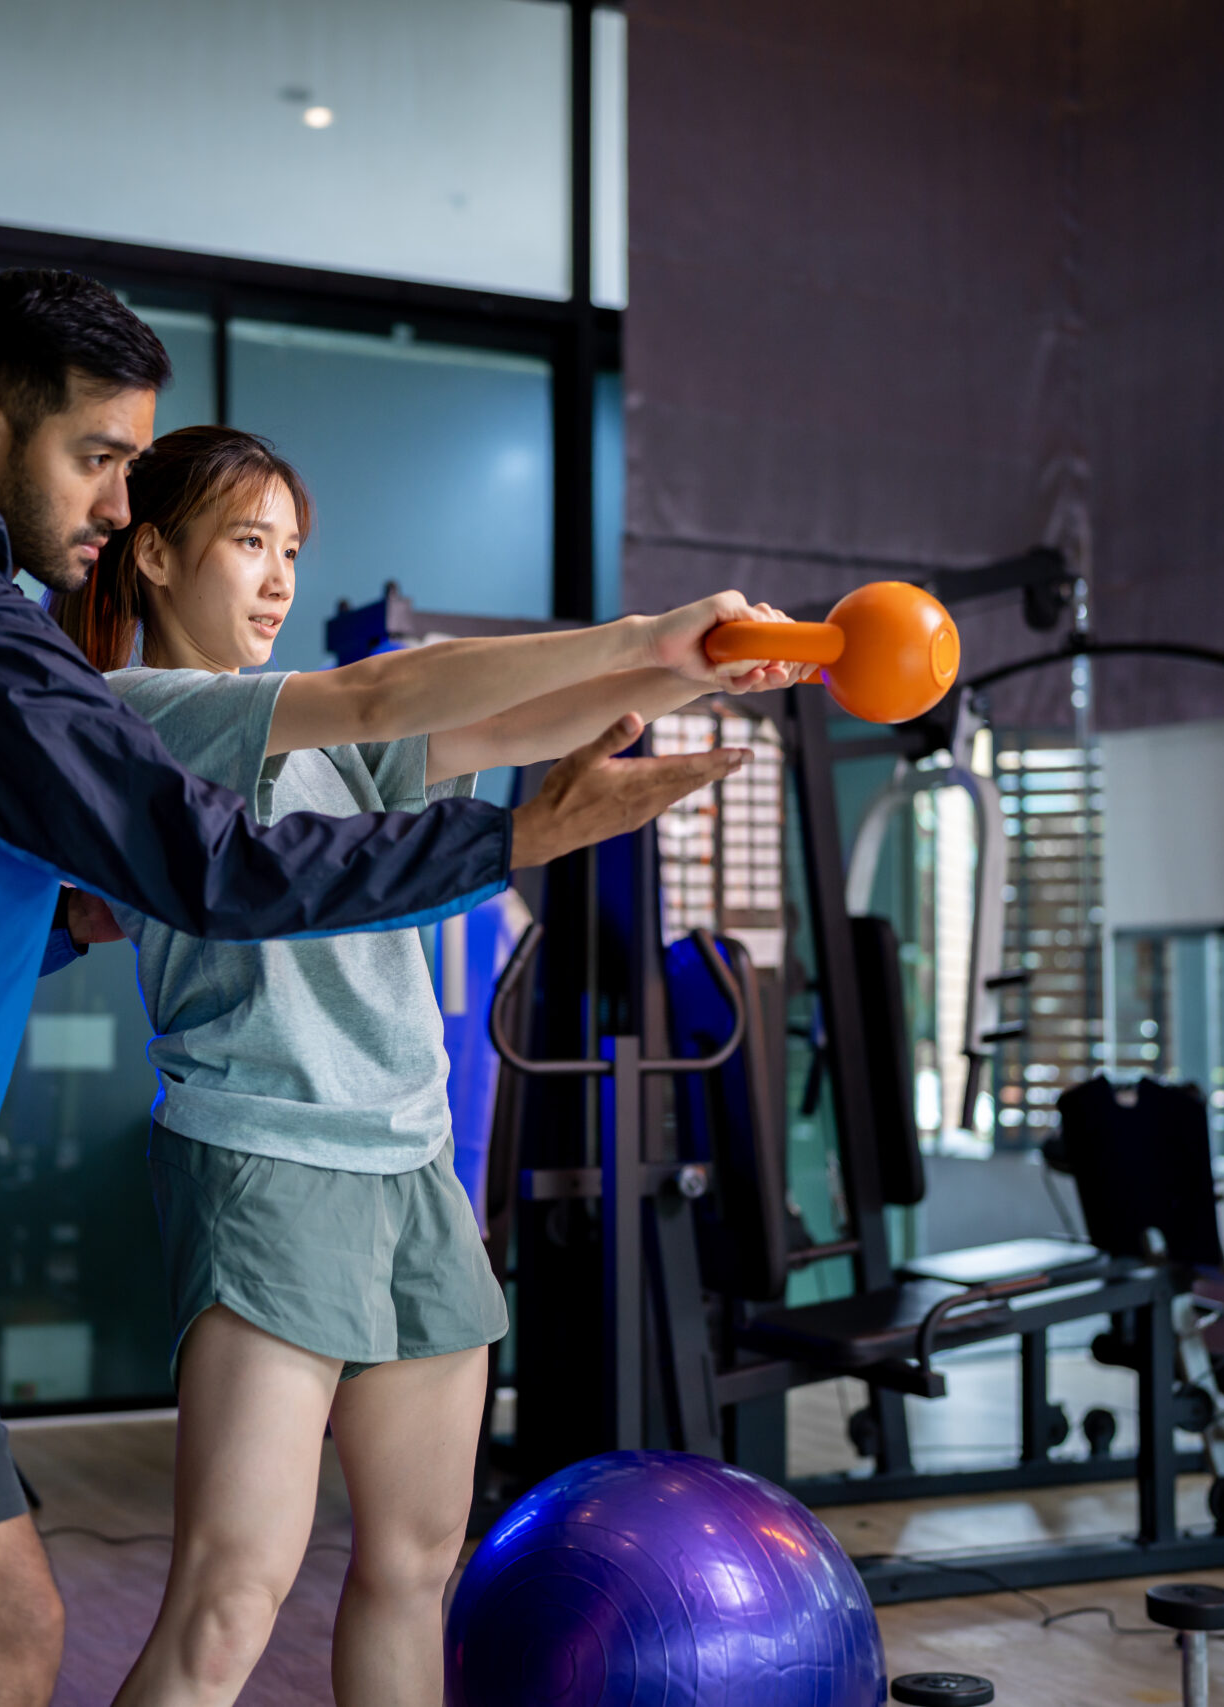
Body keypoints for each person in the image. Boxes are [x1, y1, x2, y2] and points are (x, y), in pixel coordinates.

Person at [0, 269, 751, 1707]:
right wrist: (532, 820)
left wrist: (674, 667)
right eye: (102, 460)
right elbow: (240, 853)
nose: (118, 504)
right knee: (4, 1625)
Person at [51, 425, 804, 1707]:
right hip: (267, 1162)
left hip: (410, 1166)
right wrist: (644, 631)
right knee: (231, 1597)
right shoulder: (141, 716)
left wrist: (700, 671)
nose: (280, 577)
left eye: (292, 548)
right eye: (249, 543)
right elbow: (399, 689)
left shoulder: (329, 749)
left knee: (413, 1566)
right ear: (155, 552)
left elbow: (506, 724)